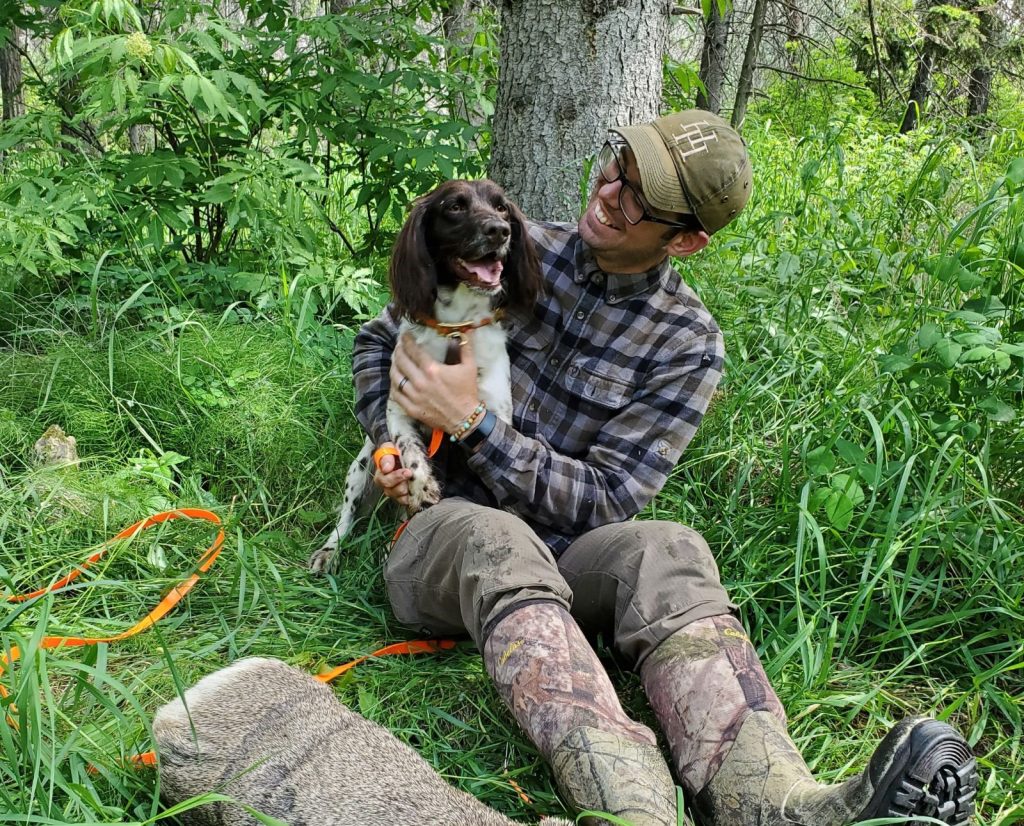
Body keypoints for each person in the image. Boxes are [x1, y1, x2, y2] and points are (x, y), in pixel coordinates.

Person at [348, 110, 977, 825]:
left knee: (670, 548)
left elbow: (610, 496)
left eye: (640, 197)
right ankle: (631, 811)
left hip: (569, 551)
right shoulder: (516, 252)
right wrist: (391, 439)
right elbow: (377, 340)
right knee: (496, 538)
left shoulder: (687, 343)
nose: (610, 191)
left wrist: (476, 423)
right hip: (445, 535)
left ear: (689, 240)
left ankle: (772, 802)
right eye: (617, 163)